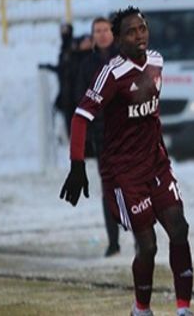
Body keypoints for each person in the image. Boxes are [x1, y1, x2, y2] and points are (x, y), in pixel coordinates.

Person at [59, 6, 194, 316]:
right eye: (131, 31)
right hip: (124, 172)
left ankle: (184, 309)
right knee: (147, 246)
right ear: (118, 39)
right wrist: (77, 165)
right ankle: (141, 309)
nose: (140, 35)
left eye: (143, 28)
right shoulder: (111, 73)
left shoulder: (157, 61)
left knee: (179, 228)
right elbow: (81, 117)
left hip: (156, 163)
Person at [72, 17, 120, 257]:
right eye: (97, 31)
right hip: (102, 135)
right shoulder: (87, 65)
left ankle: (141, 235)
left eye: (106, 30)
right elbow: (81, 100)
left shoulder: (125, 59)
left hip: (129, 132)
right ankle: (114, 241)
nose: (102, 35)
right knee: (109, 186)